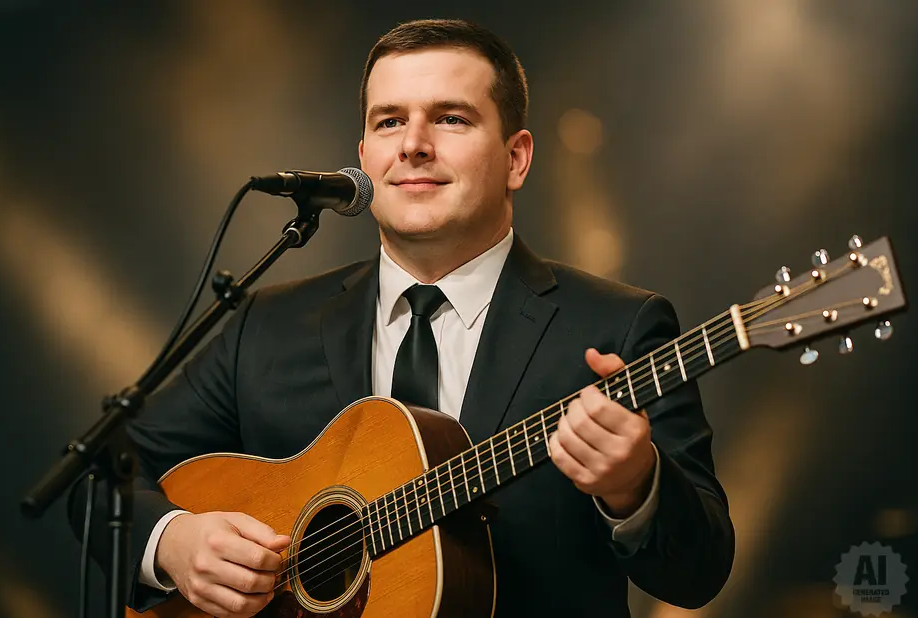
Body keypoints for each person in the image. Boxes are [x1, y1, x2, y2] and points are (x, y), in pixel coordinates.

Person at [69, 18, 734, 618]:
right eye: (389, 121)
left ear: (517, 158)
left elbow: (700, 572)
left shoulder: (620, 326)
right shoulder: (264, 326)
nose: (413, 145)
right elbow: (103, 479)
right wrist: (175, 543)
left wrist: (635, 486)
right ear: (363, 160)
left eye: (451, 119)